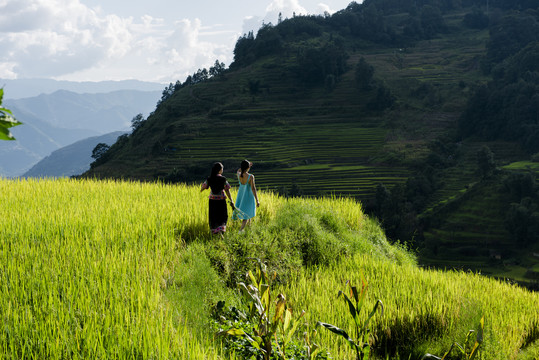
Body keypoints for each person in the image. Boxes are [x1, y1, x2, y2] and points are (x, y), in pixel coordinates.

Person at [200, 162, 235, 236]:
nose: (222, 170)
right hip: (221, 200)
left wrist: (201, 190)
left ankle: (215, 232)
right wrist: (231, 200)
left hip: (212, 200)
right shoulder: (223, 179)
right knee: (222, 216)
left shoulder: (210, 178)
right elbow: (227, 190)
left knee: (214, 216)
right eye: (222, 169)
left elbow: (203, 187)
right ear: (219, 170)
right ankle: (220, 232)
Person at [234, 160, 260, 232]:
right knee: (246, 214)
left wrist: (244, 167)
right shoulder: (251, 176)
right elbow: (253, 188)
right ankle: (240, 230)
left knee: (248, 212)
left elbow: (238, 171)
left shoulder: (239, 175)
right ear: (248, 167)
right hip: (248, 196)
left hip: (241, 196)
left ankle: (249, 228)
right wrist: (257, 200)